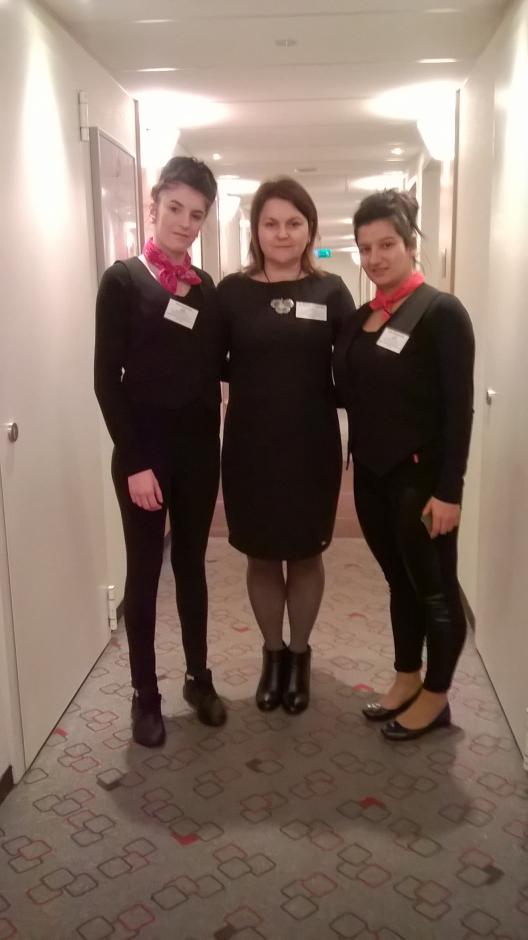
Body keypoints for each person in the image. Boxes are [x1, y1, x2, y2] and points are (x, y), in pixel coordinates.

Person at [94, 156, 226, 747]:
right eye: (175, 208)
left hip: (198, 454)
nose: (184, 223)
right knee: (145, 572)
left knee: (192, 565)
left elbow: (214, 365)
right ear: (154, 206)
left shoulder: (205, 288)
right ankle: (144, 695)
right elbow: (106, 380)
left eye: (196, 215)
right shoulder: (123, 280)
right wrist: (135, 461)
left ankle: (198, 678)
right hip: (144, 455)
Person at [334, 188, 474, 741]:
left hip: (422, 480)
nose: (375, 258)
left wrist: (450, 490)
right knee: (399, 581)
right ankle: (406, 677)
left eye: (387, 244)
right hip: (371, 476)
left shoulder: (441, 312)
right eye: (365, 248)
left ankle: (436, 698)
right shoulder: (362, 317)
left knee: (435, 588)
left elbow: (459, 408)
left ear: (411, 244)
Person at [218, 177, 356, 715]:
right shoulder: (232, 292)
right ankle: (272, 654)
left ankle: (299, 656)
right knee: (260, 554)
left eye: (294, 223)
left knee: (304, 554)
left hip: (311, 445)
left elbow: (354, 367)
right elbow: (208, 361)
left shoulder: (332, 292)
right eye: (271, 223)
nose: (282, 233)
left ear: (310, 228)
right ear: (255, 230)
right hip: (250, 445)